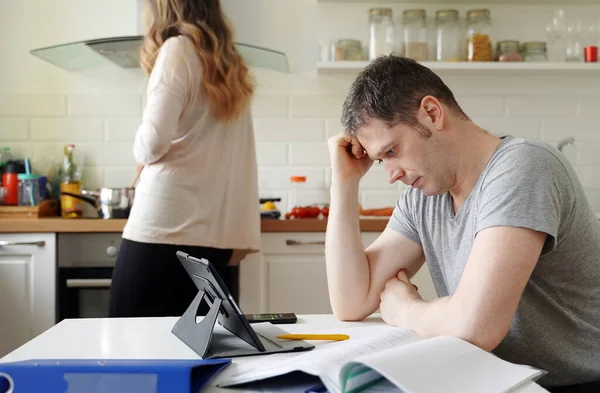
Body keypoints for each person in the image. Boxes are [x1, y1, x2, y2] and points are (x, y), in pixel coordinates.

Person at [326, 55, 600, 392]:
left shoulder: (524, 167)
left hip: (573, 385)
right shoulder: (425, 195)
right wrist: (343, 183)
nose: (391, 174)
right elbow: (351, 302)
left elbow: (476, 327)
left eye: (393, 151)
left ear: (432, 113)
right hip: (494, 382)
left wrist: (407, 310)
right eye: (381, 160)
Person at [109, 0, 260, 318]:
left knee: (131, 345)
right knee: (198, 352)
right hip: (211, 240)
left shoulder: (177, 49)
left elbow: (151, 143)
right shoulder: (228, 63)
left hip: (162, 228)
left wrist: (139, 150)